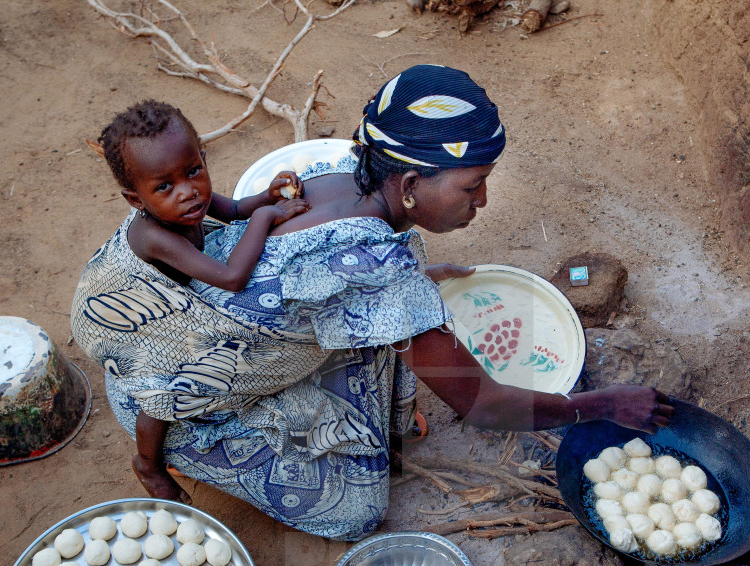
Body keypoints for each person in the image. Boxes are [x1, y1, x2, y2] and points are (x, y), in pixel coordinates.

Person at [71, 66, 672, 541]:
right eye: (471, 185)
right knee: (355, 511)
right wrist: (604, 405)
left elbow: (320, 267)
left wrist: (417, 277)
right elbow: (484, 405)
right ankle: (171, 457)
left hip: (205, 336)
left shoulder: (336, 172)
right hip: (177, 394)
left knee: (385, 340)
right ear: (408, 187)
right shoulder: (382, 279)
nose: (483, 200)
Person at [92, 100, 311, 502]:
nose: (187, 192)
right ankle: (149, 464)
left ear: (202, 158)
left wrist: (267, 195)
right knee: (162, 388)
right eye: (164, 187)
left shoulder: (191, 197)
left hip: (170, 300)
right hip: (132, 316)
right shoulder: (155, 236)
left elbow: (236, 210)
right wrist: (267, 218)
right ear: (135, 199)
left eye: (193, 171)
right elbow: (232, 278)